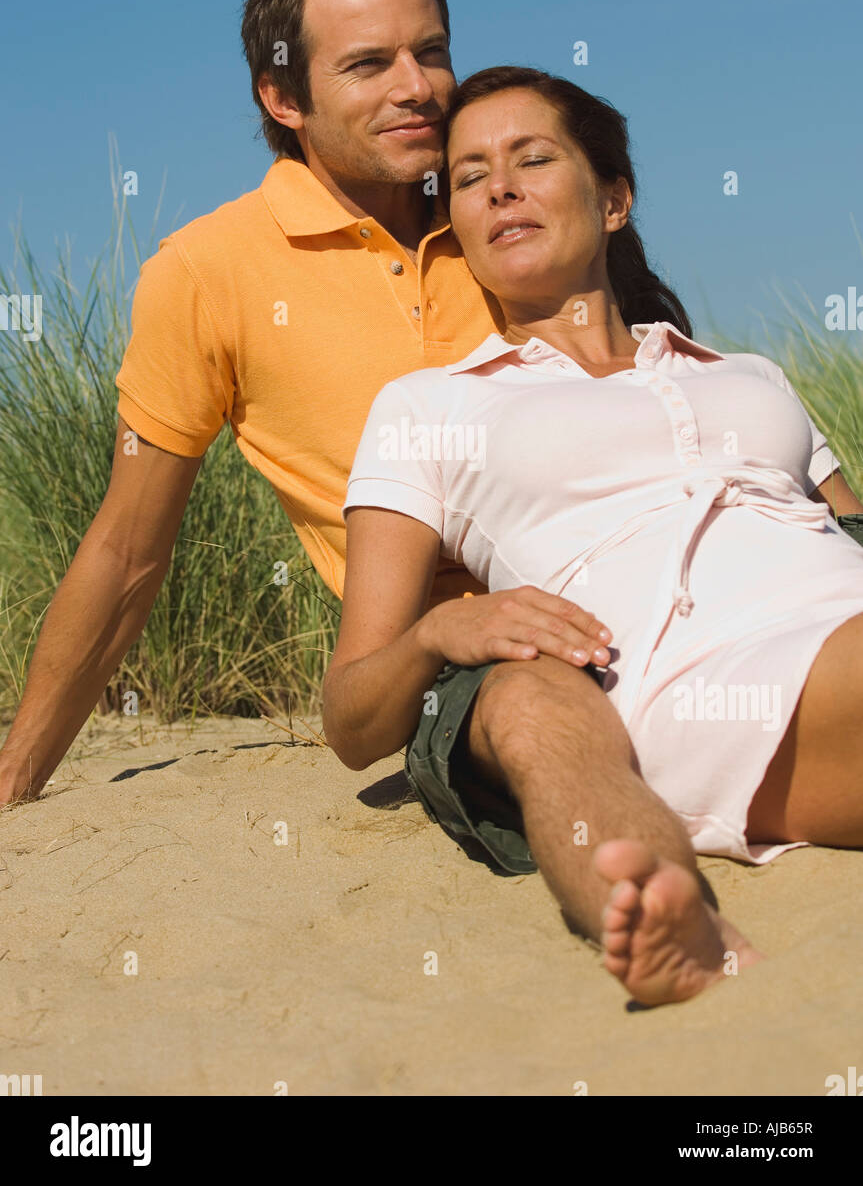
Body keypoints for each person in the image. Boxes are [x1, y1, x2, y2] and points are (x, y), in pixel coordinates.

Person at [0, 0, 615, 809]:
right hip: (463, 667)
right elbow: (128, 551)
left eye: (431, 51)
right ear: (283, 97)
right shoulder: (208, 272)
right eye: (368, 64)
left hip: (657, 582)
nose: (418, 87)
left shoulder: (514, 209)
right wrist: (15, 781)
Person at [323, 65, 863, 1007]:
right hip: (682, 676)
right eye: (469, 176)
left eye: (533, 160)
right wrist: (435, 633)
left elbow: (848, 525)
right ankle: (663, 918)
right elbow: (351, 717)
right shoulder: (429, 408)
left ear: (613, 200)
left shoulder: (750, 375)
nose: (500, 187)